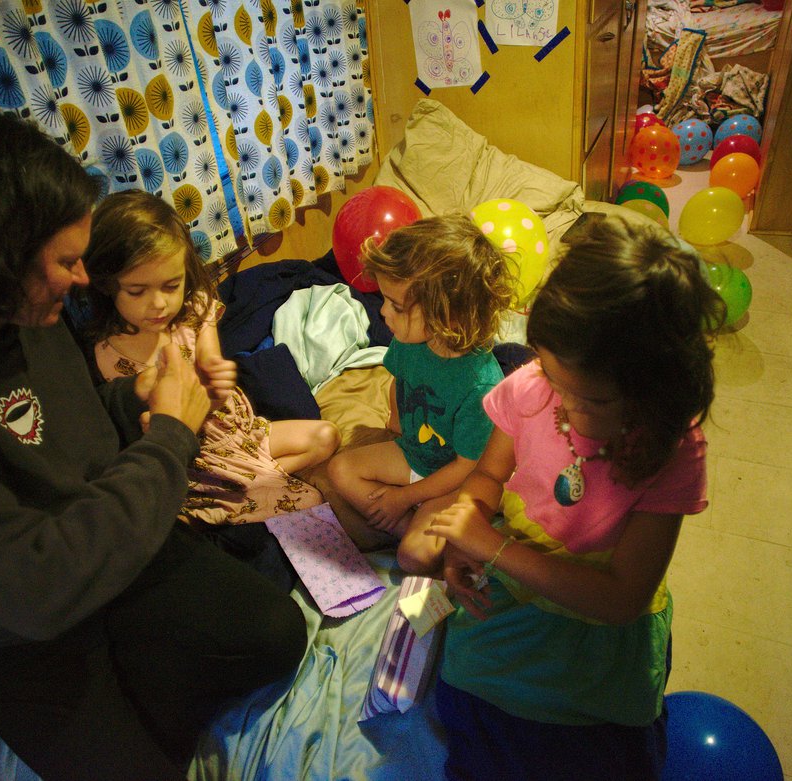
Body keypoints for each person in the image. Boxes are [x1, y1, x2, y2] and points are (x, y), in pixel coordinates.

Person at [0, 108, 306, 781]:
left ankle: (113, 688)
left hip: (107, 539)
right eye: (67, 262)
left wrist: (133, 399)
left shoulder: (29, 308)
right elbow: (37, 584)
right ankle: (30, 704)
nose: (85, 280)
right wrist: (168, 435)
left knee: (274, 637)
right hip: (8, 624)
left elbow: (62, 423)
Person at [423, 215, 725, 781]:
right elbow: (488, 477)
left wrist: (489, 549)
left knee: (597, 752)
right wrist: (467, 533)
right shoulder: (531, 388)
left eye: (582, 397)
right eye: (548, 372)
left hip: (600, 633)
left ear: (650, 392)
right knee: (471, 710)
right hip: (512, 591)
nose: (556, 403)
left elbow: (621, 598)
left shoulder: (673, 450)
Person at [81, 190, 338, 569]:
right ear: (108, 285)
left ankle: (263, 480)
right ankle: (259, 487)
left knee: (328, 435)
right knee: (308, 502)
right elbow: (148, 429)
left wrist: (218, 377)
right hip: (199, 458)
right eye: (137, 291)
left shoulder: (194, 308)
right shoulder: (109, 353)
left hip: (239, 430)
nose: (159, 304)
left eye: (171, 286)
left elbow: (213, 365)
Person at [325, 214, 513, 570]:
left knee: (413, 557)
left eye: (396, 306)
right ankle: (408, 525)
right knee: (339, 469)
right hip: (414, 454)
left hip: (458, 479)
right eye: (385, 300)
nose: (382, 312)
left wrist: (405, 497)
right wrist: (395, 424)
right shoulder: (408, 342)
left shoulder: (480, 384)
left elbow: (469, 467)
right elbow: (399, 380)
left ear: (447, 315)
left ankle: (415, 528)